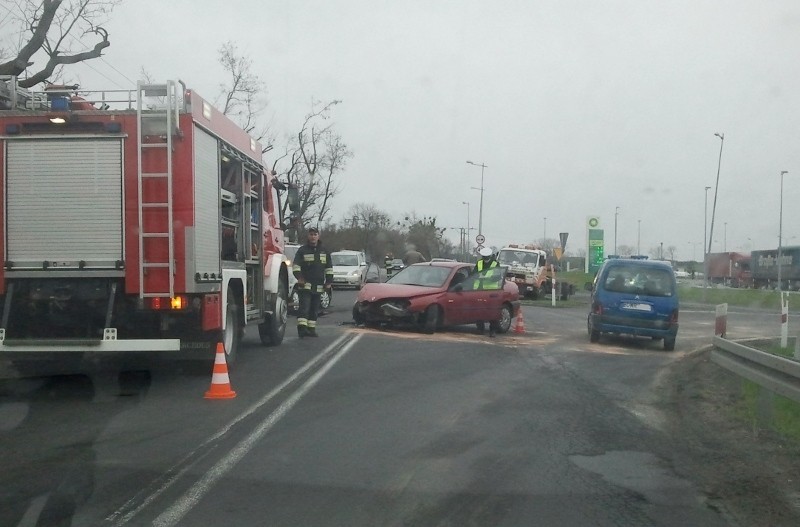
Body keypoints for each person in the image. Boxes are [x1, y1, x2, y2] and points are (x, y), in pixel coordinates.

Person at [292, 226, 333, 338]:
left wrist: (329, 281)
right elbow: (296, 266)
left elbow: (329, 268)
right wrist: (299, 278)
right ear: (308, 236)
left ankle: (311, 329)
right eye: (311, 234)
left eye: (315, 234)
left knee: (315, 309)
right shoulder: (302, 250)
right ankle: (302, 330)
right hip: (305, 285)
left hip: (319, 285)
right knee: (304, 308)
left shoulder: (324, 251)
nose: (313, 237)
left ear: (318, 236)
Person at [473, 247, 501, 337]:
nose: (485, 259)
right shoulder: (479, 263)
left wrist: (486, 278)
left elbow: (498, 277)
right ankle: (480, 329)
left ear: (490, 256)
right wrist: (477, 276)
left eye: (486, 257)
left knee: (493, 311)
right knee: (479, 310)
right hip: (479, 290)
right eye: (484, 257)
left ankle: (493, 331)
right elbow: (473, 274)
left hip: (491, 292)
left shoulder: (495, 264)